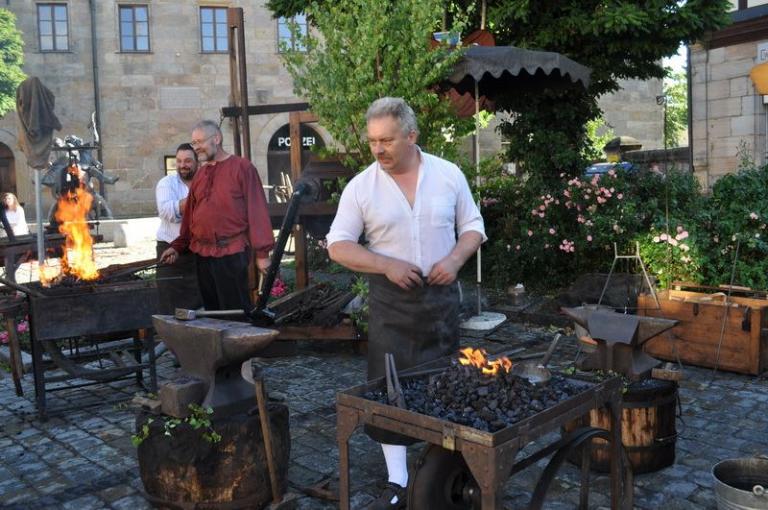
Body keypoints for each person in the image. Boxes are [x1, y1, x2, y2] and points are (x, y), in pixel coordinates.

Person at [326, 97, 485, 509]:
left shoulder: (448, 175)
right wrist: (385, 264)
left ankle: (446, 462)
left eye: (387, 140)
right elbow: (338, 245)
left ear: (411, 136)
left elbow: (473, 226)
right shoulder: (361, 187)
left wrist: (455, 259)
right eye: (372, 141)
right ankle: (398, 479)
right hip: (390, 304)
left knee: (445, 382)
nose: (378, 149)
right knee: (390, 389)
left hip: (441, 302)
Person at [159, 120, 274, 312]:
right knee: (212, 313)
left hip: (231, 253)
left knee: (235, 314)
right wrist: (177, 246)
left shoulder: (242, 168)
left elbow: (257, 211)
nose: (196, 148)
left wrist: (262, 254)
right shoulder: (200, 174)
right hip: (202, 255)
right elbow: (190, 217)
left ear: (217, 139)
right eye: (194, 143)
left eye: (200, 142)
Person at [154, 143, 203, 314]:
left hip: (198, 251)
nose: (183, 165)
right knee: (170, 303)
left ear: (197, 162)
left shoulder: (204, 182)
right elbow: (167, 212)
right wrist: (197, 199)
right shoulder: (166, 183)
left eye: (188, 161)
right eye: (179, 161)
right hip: (170, 249)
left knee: (200, 301)